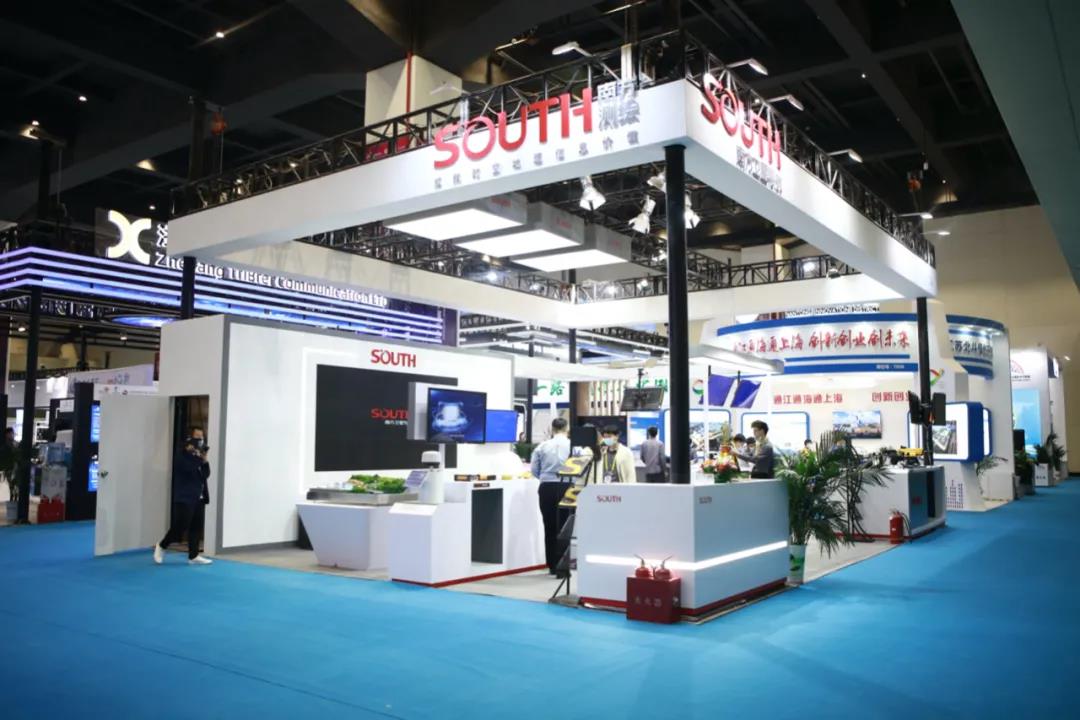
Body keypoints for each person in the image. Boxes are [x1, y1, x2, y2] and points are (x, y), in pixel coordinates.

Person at [154, 428, 212, 565]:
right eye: (197, 436)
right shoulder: (182, 454)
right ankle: (162, 545)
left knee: (196, 527)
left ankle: (193, 555)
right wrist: (197, 456)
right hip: (185, 497)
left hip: (199, 496)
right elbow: (188, 468)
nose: (200, 440)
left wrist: (204, 460)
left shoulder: (199, 456)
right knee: (181, 526)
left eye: (202, 437)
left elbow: (206, 474)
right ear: (190, 438)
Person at [531, 418, 572, 573]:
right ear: (567, 428)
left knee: (549, 526)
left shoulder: (542, 446)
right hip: (567, 487)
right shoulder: (573, 446)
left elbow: (534, 469)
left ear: (552, 429)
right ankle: (563, 567)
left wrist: (545, 477)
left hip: (546, 487)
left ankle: (552, 566)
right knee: (566, 526)